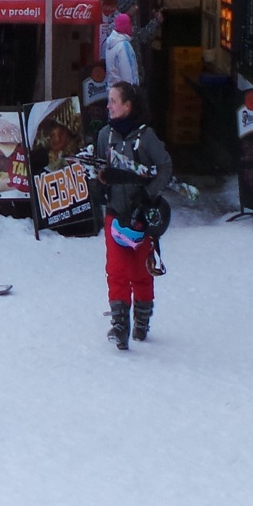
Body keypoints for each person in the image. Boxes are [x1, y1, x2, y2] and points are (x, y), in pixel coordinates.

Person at [93, 81, 173, 350]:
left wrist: (148, 195)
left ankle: (142, 321)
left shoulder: (146, 137)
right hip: (115, 214)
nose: (108, 106)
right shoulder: (105, 136)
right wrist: (98, 188)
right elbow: (98, 169)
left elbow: (165, 167)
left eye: (113, 101)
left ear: (128, 106)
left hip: (142, 216)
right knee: (116, 270)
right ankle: (119, 325)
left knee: (141, 272)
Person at [103, 12, 141, 90]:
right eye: (131, 25)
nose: (133, 28)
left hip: (113, 90)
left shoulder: (110, 43)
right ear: (127, 26)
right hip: (124, 92)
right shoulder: (124, 45)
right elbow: (128, 74)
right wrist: (133, 91)